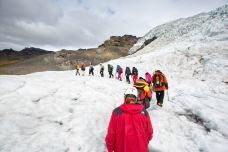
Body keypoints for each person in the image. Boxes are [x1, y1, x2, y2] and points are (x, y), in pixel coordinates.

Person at [105, 86, 153, 152]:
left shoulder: (117, 112)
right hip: (141, 148)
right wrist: (144, 142)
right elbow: (149, 132)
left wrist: (110, 149)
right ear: (136, 98)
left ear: (125, 97)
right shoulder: (144, 112)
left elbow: (111, 134)